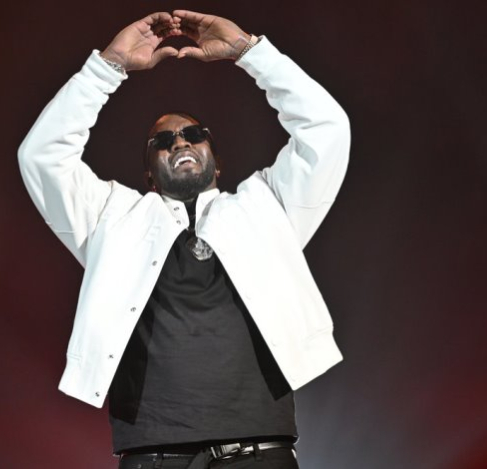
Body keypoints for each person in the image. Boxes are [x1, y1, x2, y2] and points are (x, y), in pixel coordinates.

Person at [18, 10, 350, 469]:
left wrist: (250, 52)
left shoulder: (267, 206)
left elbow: (326, 129)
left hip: (260, 451)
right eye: (163, 141)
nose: (179, 143)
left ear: (216, 157)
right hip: (153, 455)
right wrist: (106, 68)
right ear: (149, 175)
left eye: (193, 134)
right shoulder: (112, 218)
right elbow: (41, 156)